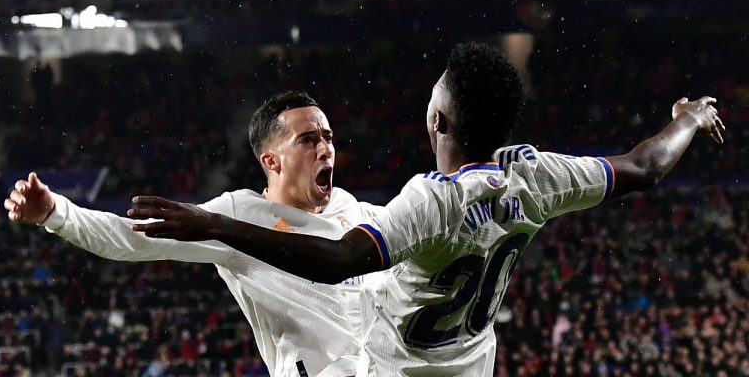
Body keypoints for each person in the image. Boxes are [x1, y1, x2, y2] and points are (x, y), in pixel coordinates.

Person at [129, 41, 726, 376]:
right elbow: (646, 166)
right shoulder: (538, 176)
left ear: (437, 120)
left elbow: (339, 260)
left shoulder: (429, 202)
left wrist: (218, 225)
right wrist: (690, 119)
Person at [4, 91, 383, 376]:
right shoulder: (238, 214)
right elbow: (130, 238)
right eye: (308, 139)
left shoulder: (351, 207)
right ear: (271, 160)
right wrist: (56, 213)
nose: (325, 149)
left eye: (328, 137)